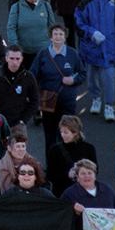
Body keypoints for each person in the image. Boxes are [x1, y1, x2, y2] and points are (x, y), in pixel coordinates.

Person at [75, 0, 115, 122]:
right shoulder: (85, 2)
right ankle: (96, 98)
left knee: (109, 77)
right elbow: (79, 23)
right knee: (92, 77)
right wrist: (91, 33)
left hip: (109, 46)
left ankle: (109, 105)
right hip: (91, 47)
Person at [31, 23, 85, 154]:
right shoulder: (43, 54)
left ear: (65, 37)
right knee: (49, 134)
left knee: (68, 133)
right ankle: (51, 166)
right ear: (50, 37)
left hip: (67, 101)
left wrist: (73, 80)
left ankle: (68, 164)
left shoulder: (73, 54)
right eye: (55, 34)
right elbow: (32, 75)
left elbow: (82, 74)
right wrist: (35, 95)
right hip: (48, 100)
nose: (58, 37)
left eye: (61, 34)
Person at [6, 0, 56, 67]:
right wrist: (15, 46)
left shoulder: (46, 5)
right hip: (24, 51)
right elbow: (11, 28)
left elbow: (52, 26)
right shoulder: (16, 7)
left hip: (43, 51)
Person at [47, 114, 97, 196]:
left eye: (66, 132)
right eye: (61, 132)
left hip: (84, 192)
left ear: (75, 133)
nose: (62, 135)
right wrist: (67, 174)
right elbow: (50, 175)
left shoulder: (89, 149)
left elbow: (95, 170)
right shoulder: (55, 150)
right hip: (62, 193)